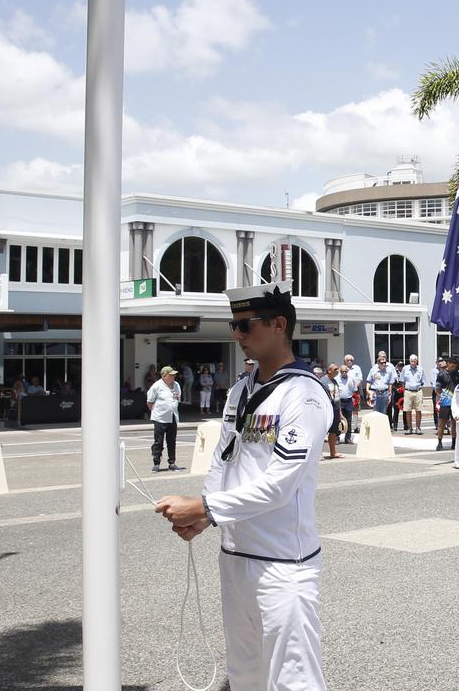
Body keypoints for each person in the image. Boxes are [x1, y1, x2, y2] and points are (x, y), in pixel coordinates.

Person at [154, 279, 335, 690]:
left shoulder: (303, 395)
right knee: (245, 677)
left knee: (293, 680)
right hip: (235, 556)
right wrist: (207, 516)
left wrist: (204, 509)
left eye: (246, 324)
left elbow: (279, 485)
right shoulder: (241, 390)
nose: (236, 334)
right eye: (233, 324)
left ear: (278, 325)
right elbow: (223, 459)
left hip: (282, 564)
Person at [147, 366, 182, 472]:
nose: (174, 376)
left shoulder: (176, 385)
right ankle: (156, 463)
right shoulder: (156, 386)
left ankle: (172, 463)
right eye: (171, 375)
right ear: (164, 376)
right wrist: (157, 413)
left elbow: (178, 398)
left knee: (172, 441)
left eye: (174, 374)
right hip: (160, 418)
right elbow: (150, 402)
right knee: (158, 442)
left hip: (173, 417)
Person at [399, 355, 426, 434]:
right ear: (409, 361)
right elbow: (402, 381)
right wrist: (404, 391)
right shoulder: (405, 369)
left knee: (418, 410)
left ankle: (418, 428)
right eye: (412, 361)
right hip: (408, 391)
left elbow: (423, 381)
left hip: (418, 391)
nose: (413, 363)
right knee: (407, 410)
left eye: (415, 361)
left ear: (417, 361)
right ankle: (409, 428)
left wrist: (418, 387)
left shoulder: (421, 369)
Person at [435, 358, 456, 451]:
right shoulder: (441, 374)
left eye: (455, 366)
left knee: (454, 423)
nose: (453, 368)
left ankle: (454, 443)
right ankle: (439, 443)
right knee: (442, 423)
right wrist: (442, 397)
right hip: (445, 402)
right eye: (452, 365)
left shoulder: (457, 374)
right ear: (448, 364)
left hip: (455, 402)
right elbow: (437, 389)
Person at [333, 365, 356, 445]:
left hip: (348, 401)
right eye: (342, 371)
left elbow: (354, 389)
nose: (344, 373)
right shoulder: (336, 379)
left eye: (345, 371)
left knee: (348, 420)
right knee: (338, 420)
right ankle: (337, 437)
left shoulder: (351, 379)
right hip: (339, 401)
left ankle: (348, 438)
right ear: (340, 372)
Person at [324, 363, 343, 459]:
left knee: (333, 432)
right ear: (329, 371)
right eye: (335, 369)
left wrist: (340, 412)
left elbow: (337, 397)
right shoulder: (323, 381)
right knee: (322, 432)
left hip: (335, 409)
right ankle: (319, 453)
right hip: (326, 410)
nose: (337, 370)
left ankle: (333, 452)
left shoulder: (334, 381)